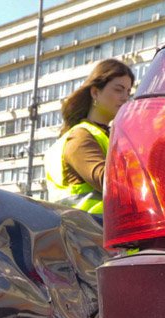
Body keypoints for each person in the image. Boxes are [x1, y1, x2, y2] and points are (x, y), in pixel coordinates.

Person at [44, 59, 136, 214]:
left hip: (95, 232)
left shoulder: (107, 136)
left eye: (128, 92)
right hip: (89, 232)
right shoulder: (80, 136)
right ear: (95, 92)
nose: (125, 97)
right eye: (119, 90)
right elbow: (110, 183)